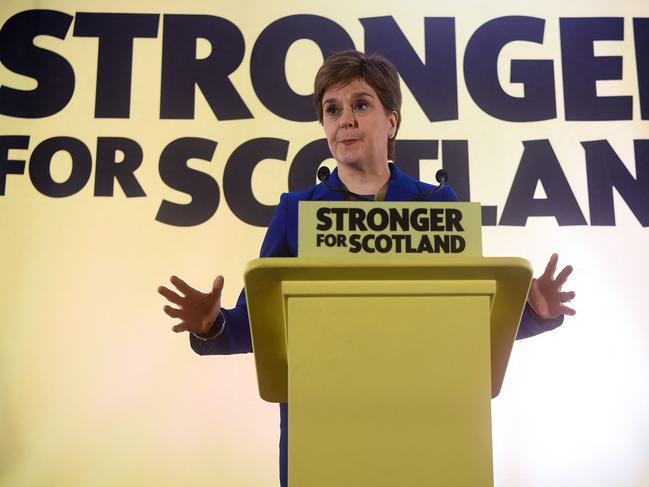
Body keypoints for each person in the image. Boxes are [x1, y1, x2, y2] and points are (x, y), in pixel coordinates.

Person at [158, 50, 576, 486]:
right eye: (332, 110)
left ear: (391, 121)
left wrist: (533, 315)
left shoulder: (437, 205)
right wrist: (211, 325)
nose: (345, 120)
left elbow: (467, 324)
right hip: (323, 429)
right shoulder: (295, 211)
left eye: (361, 104)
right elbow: (258, 326)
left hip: (428, 425)